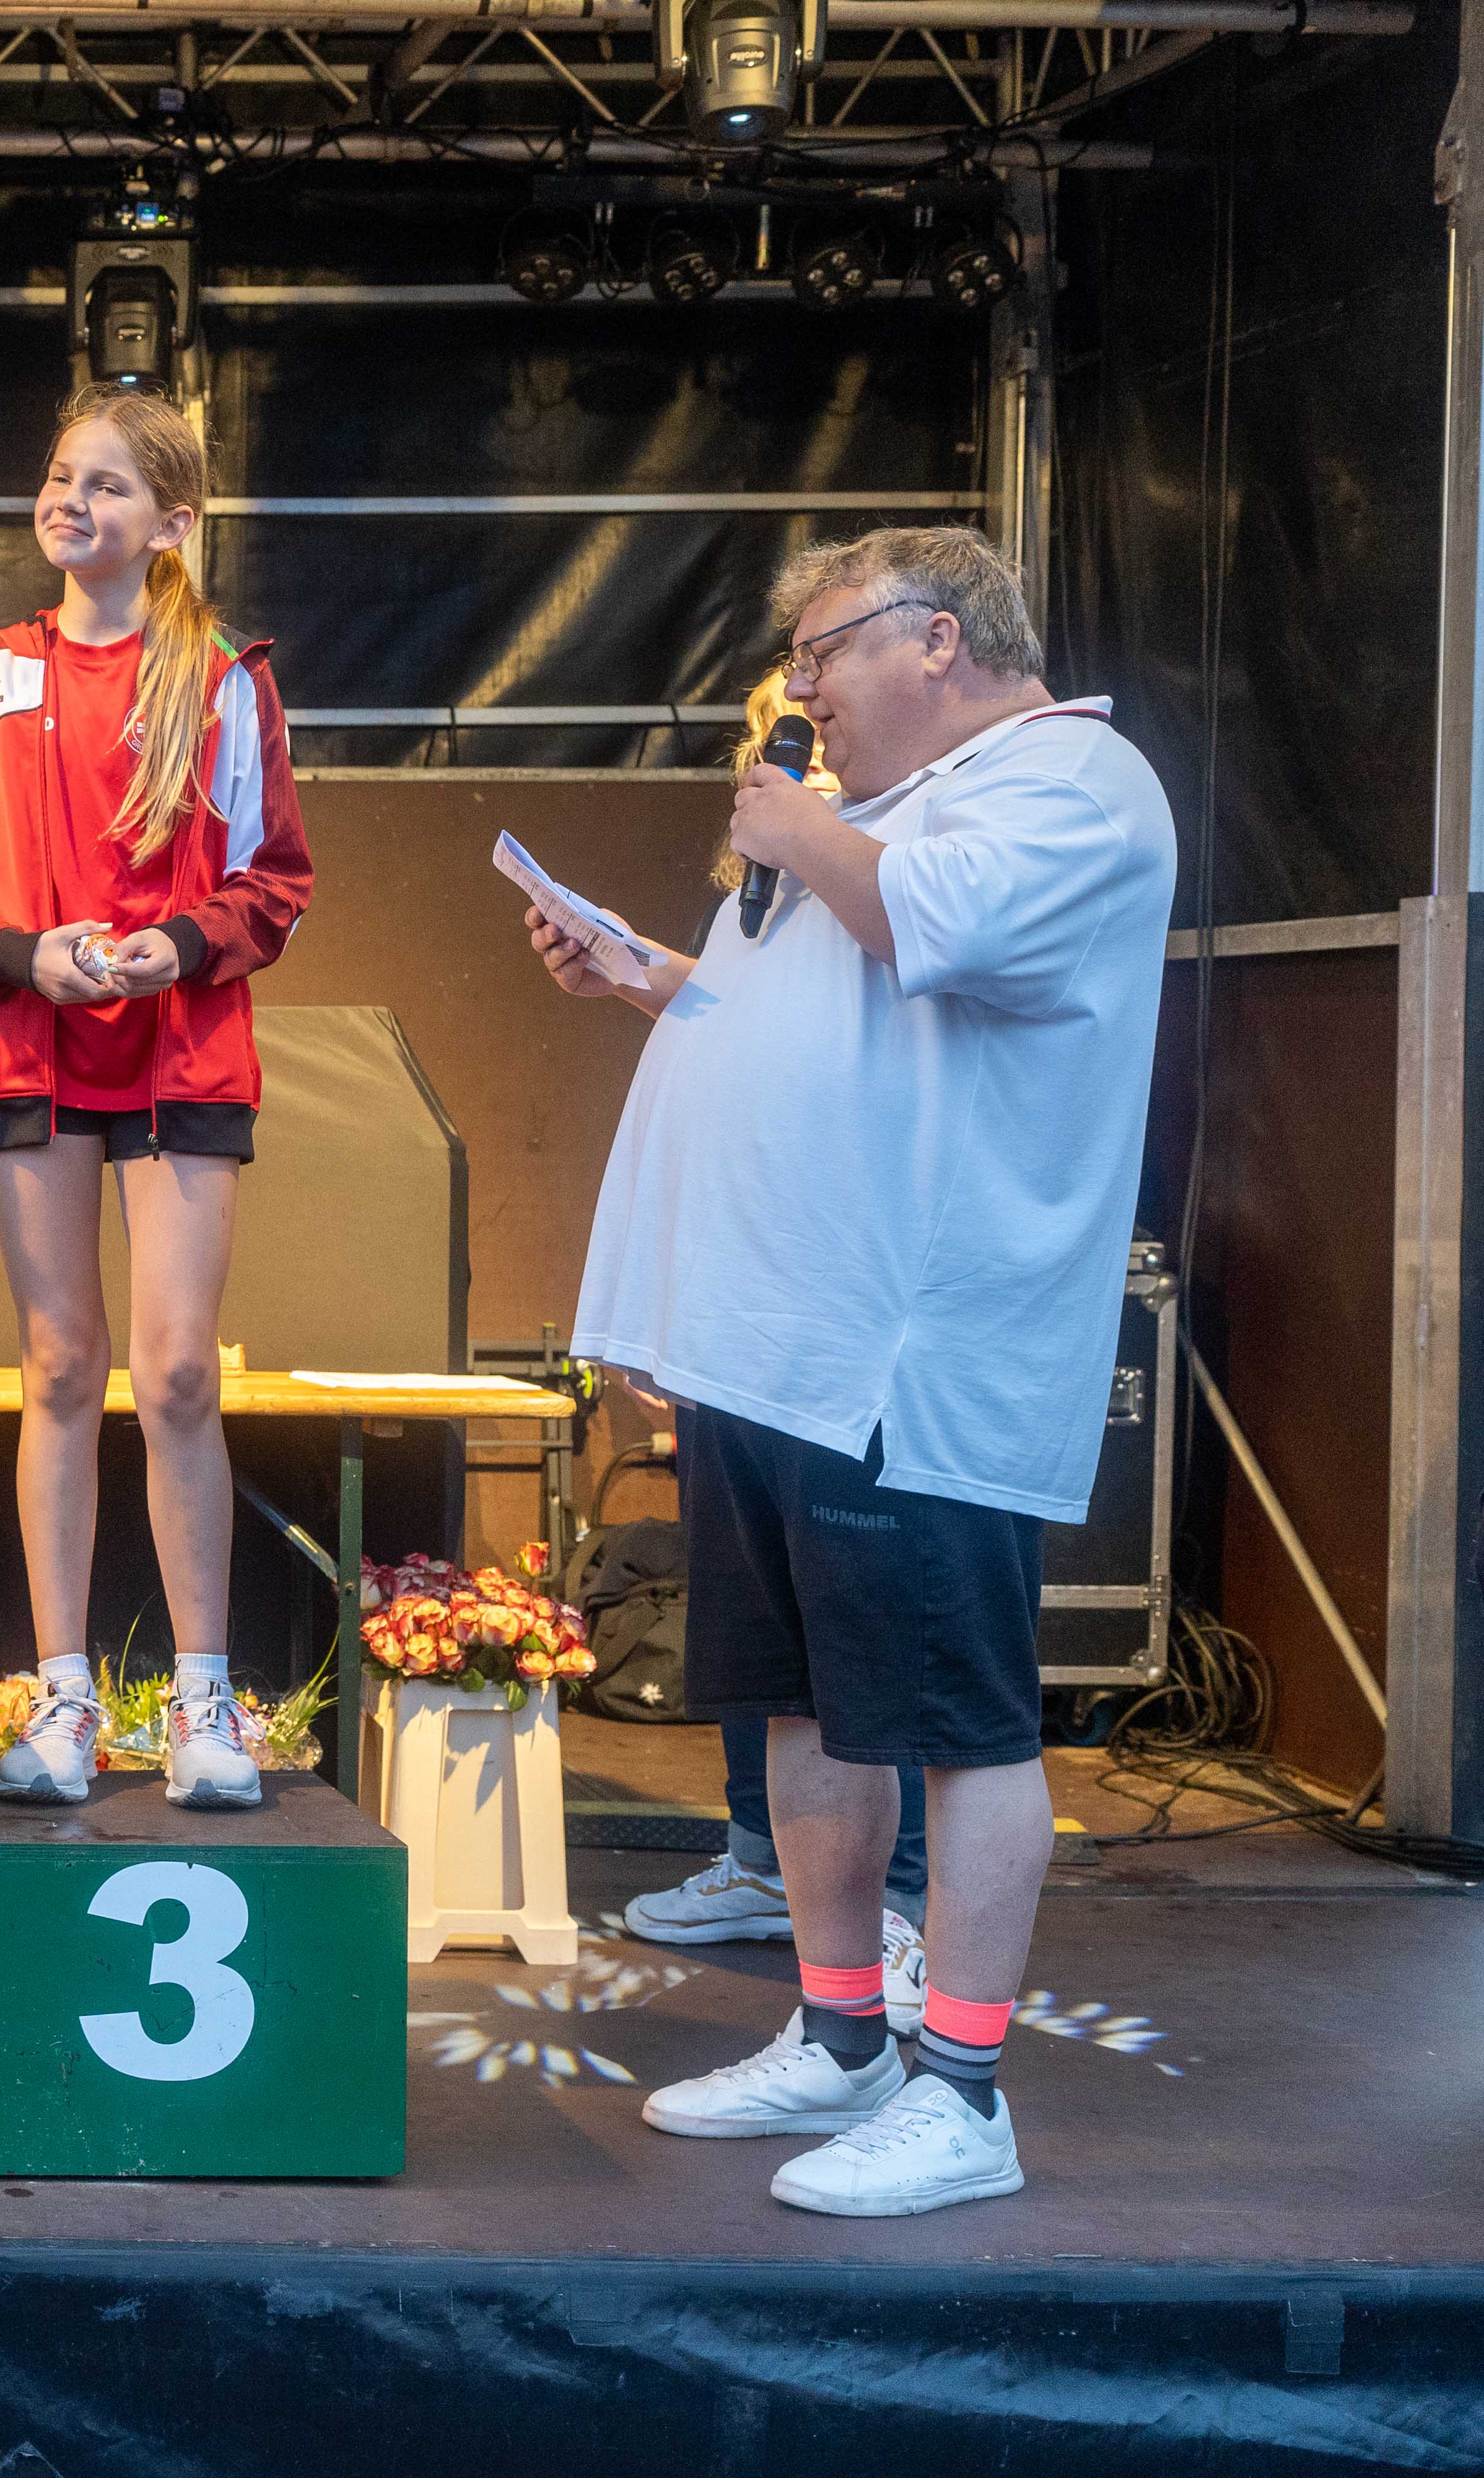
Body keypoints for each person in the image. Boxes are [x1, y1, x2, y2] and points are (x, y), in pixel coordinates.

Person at [533, 527, 1175, 2217]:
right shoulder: (859, 822)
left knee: (959, 1726)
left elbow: (923, 930)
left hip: (919, 1355)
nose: (801, 688)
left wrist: (794, 825)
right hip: (780, 1343)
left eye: (822, 652)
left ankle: (963, 2090)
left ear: (938, 637)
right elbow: (802, 1029)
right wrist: (653, 974)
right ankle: (838, 2037)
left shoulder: (1069, 782)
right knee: (803, 1704)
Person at [0, 387, 312, 1810]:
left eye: (110, 485)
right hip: (33, 1047)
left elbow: (275, 880)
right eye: (62, 475)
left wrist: (176, 945)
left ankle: (203, 1700)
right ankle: (65, 1695)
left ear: (173, 522)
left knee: (180, 1369)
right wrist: (33, 956)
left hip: (183, 1048)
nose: (72, 501)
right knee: (63, 1366)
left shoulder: (224, 679)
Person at [613, 685, 930, 2033]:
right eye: (764, 742)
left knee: (864, 1635)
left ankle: (897, 1908)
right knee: (761, 1636)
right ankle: (763, 1863)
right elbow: (736, 1055)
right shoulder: (760, 896)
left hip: (850, 1314)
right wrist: (636, 970)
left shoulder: (898, 869)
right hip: (740, 1300)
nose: (782, 760)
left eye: (801, 737)